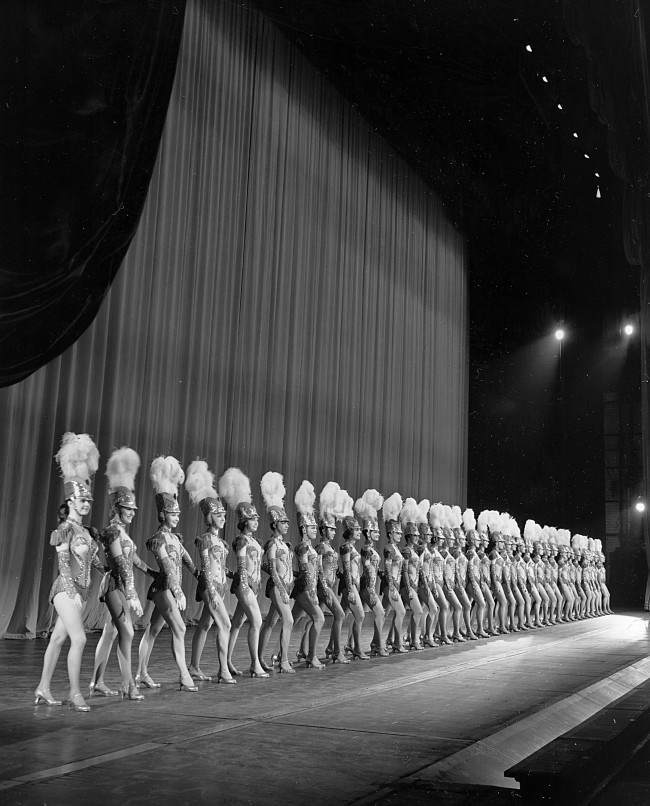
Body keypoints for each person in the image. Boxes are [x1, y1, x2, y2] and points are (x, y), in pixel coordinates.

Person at [35, 432, 102, 712]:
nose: (86, 505)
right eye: (82, 501)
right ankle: (75, 693)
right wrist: (73, 593)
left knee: (59, 638)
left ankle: (43, 687)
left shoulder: (86, 531)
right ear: (71, 502)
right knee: (80, 638)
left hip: (81, 591)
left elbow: (93, 561)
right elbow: (64, 563)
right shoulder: (64, 528)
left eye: (89, 502)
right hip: (65, 589)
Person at [90, 447, 155, 701]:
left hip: (119, 585)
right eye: (128, 508)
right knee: (126, 633)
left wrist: (151, 572)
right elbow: (119, 562)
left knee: (111, 633)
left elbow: (132, 559)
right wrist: (131, 593)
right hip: (116, 588)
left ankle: (97, 682)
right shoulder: (113, 532)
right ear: (117, 507)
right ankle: (129, 686)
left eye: (133, 509)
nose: (133, 512)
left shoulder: (121, 532)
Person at [135, 456, 198, 692]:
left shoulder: (174, 538)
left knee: (153, 630)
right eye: (173, 514)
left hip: (171, 588)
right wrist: (179, 591)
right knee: (179, 628)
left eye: (178, 513)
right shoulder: (159, 539)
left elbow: (185, 559)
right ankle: (183, 675)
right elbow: (168, 567)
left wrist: (197, 573)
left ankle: (141, 672)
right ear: (163, 515)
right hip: (164, 590)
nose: (177, 517)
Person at [185, 460, 234, 684]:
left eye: (223, 513)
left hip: (220, 585)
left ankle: (194, 666)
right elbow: (206, 568)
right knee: (225, 624)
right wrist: (212, 590)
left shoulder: (222, 543)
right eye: (218, 514)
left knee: (206, 624)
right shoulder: (204, 539)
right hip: (210, 586)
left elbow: (221, 567)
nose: (223, 517)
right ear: (209, 517)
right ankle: (223, 670)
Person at [219, 467, 269, 679]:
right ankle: (254, 664)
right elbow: (241, 565)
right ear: (243, 521)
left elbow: (257, 564)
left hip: (253, 585)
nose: (256, 522)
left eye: (257, 518)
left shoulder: (255, 541)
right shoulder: (241, 540)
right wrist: (245, 587)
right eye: (252, 519)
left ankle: (228, 661)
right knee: (256, 621)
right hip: (245, 585)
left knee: (238, 622)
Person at [258, 472, 295, 673]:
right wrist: (281, 589)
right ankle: (283, 660)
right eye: (283, 523)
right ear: (275, 524)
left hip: (285, 587)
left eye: (287, 522)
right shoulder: (272, 544)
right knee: (288, 620)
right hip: (277, 587)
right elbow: (271, 568)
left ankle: (259, 658)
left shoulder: (285, 545)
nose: (287, 525)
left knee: (271, 621)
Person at [291, 480, 326, 668]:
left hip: (310, 588)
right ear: (304, 529)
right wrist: (312, 591)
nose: (315, 530)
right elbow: (305, 572)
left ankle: (281, 654)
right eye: (312, 527)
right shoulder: (303, 547)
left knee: (293, 620)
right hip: (304, 589)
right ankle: (312, 656)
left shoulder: (312, 548)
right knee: (318, 618)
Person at [317, 482, 349, 664]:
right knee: (340, 614)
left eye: (334, 529)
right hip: (324, 586)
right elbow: (319, 568)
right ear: (323, 530)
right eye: (330, 528)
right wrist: (323, 586)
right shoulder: (321, 546)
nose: (334, 531)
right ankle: (337, 652)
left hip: (329, 584)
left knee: (315, 619)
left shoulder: (328, 546)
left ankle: (303, 651)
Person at [355, 490, 388, 657]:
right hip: (367, 586)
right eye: (375, 531)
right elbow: (367, 569)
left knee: (356, 616)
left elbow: (372, 568)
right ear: (367, 533)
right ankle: (376, 644)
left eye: (378, 531)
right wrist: (370, 589)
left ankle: (349, 645)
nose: (378, 533)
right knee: (380, 613)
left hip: (369, 585)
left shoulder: (372, 549)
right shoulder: (366, 549)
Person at [381, 493, 408, 653]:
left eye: (400, 533)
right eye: (397, 533)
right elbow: (388, 568)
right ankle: (397, 643)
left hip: (395, 585)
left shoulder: (396, 548)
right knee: (401, 611)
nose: (400, 535)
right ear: (390, 533)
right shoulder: (388, 548)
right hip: (390, 585)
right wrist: (391, 587)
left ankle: (376, 643)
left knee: (383, 614)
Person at [399, 498, 425, 650]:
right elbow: (404, 570)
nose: (417, 538)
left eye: (417, 535)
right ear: (408, 537)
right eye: (414, 536)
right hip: (407, 586)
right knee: (418, 611)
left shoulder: (414, 550)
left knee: (408, 612)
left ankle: (404, 639)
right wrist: (408, 588)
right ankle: (414, 640)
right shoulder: (406, 550)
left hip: (414, 586)